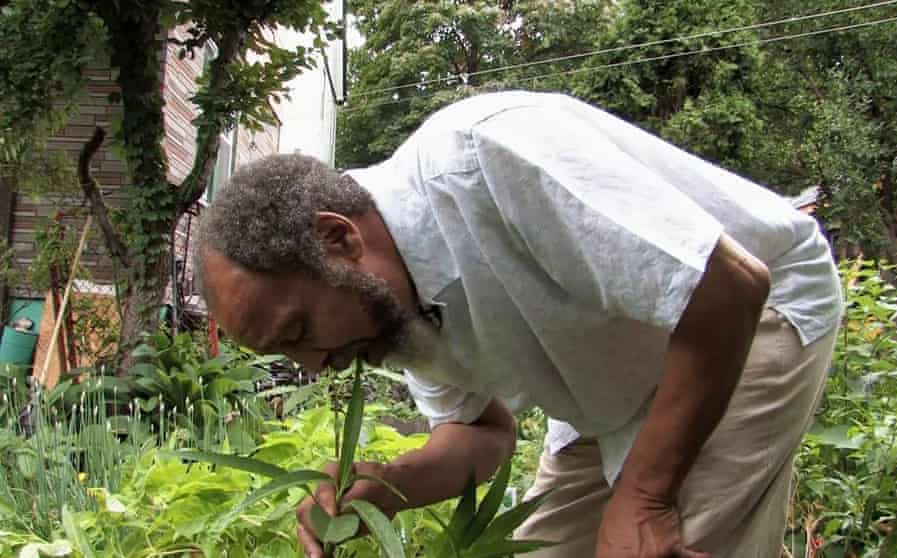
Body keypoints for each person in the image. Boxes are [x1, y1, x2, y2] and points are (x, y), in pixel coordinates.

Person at [194, 91, 842, 558]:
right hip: (609, 382)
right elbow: (482, 433)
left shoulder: (488, 161)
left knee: (662, 539)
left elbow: (728, 288)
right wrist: (388, 487)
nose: (312, 365)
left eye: (298, 331)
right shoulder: (381, 310)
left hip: (748, 320)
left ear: (338, 240)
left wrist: (643, 499)